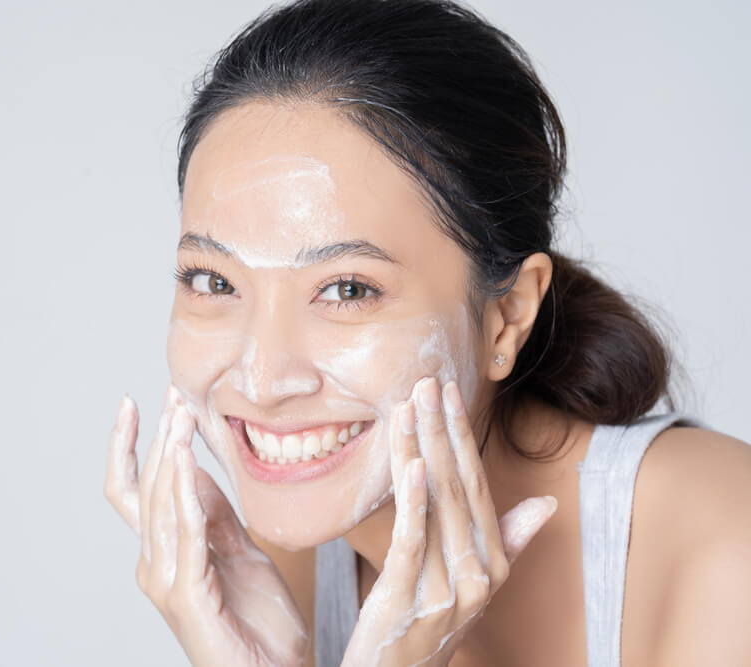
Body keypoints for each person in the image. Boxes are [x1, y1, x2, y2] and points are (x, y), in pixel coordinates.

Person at [104, 0, 751, 664]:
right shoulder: (280, 565)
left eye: (347, 289)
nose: (263, 382)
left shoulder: (723, 539)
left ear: (507, 316)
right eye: (214, 281)